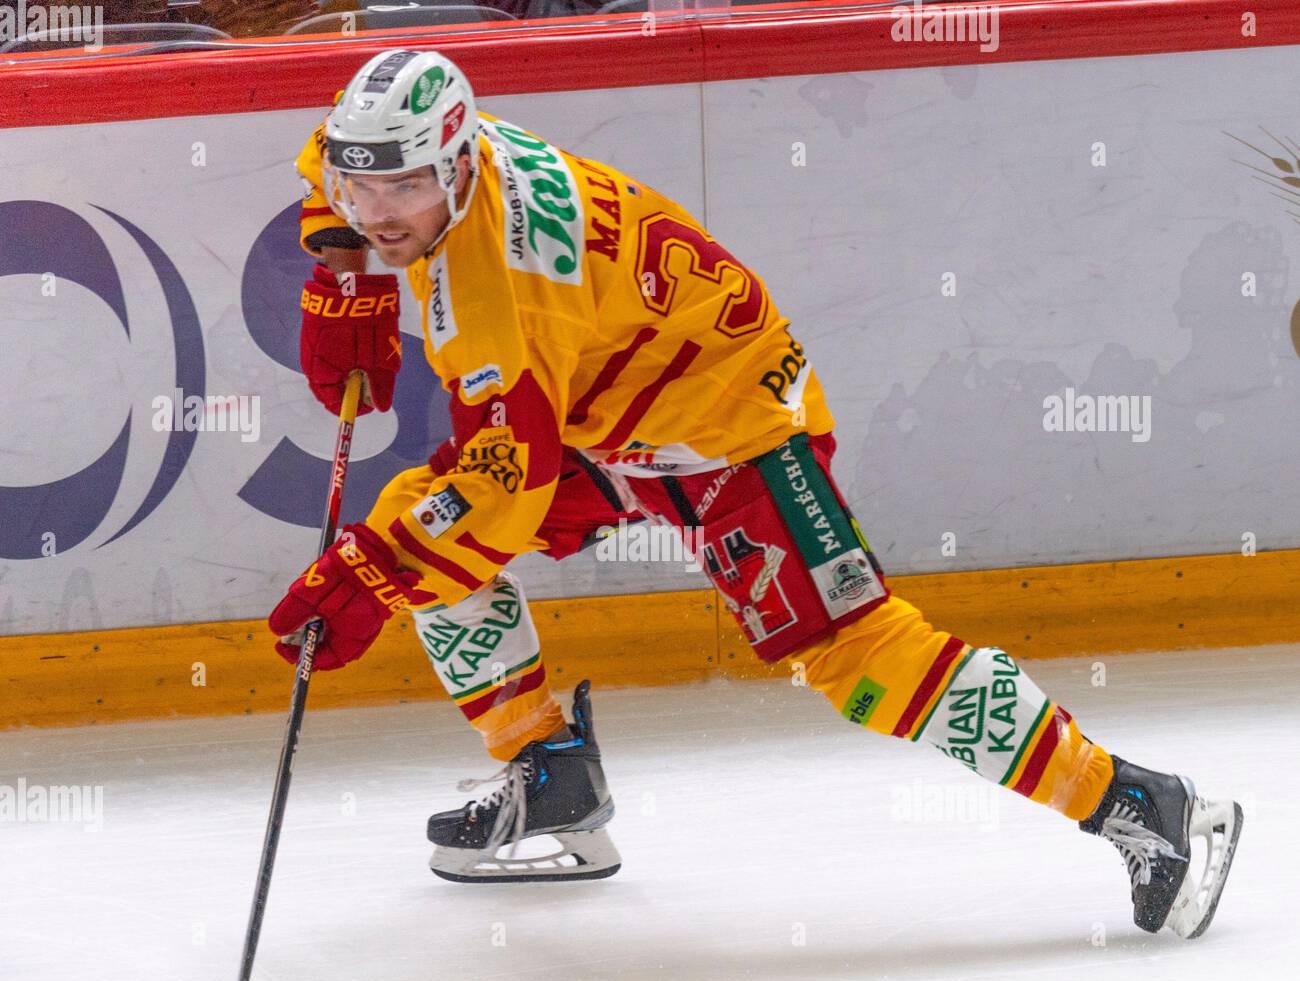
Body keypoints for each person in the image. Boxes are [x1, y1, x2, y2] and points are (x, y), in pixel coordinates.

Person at [271, 48, 1242, 934]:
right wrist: (344, 268)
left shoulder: (493, 292)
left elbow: (504, 487)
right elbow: (330, 153)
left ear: (454, 162)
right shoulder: (429, 160)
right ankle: (548, 767)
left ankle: (1137, 803)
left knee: (852, 655)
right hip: (609, 405)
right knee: (424, 535)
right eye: (364, 186)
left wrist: (366, 573)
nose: (376, 205)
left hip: (728, 422)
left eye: (398, 187)